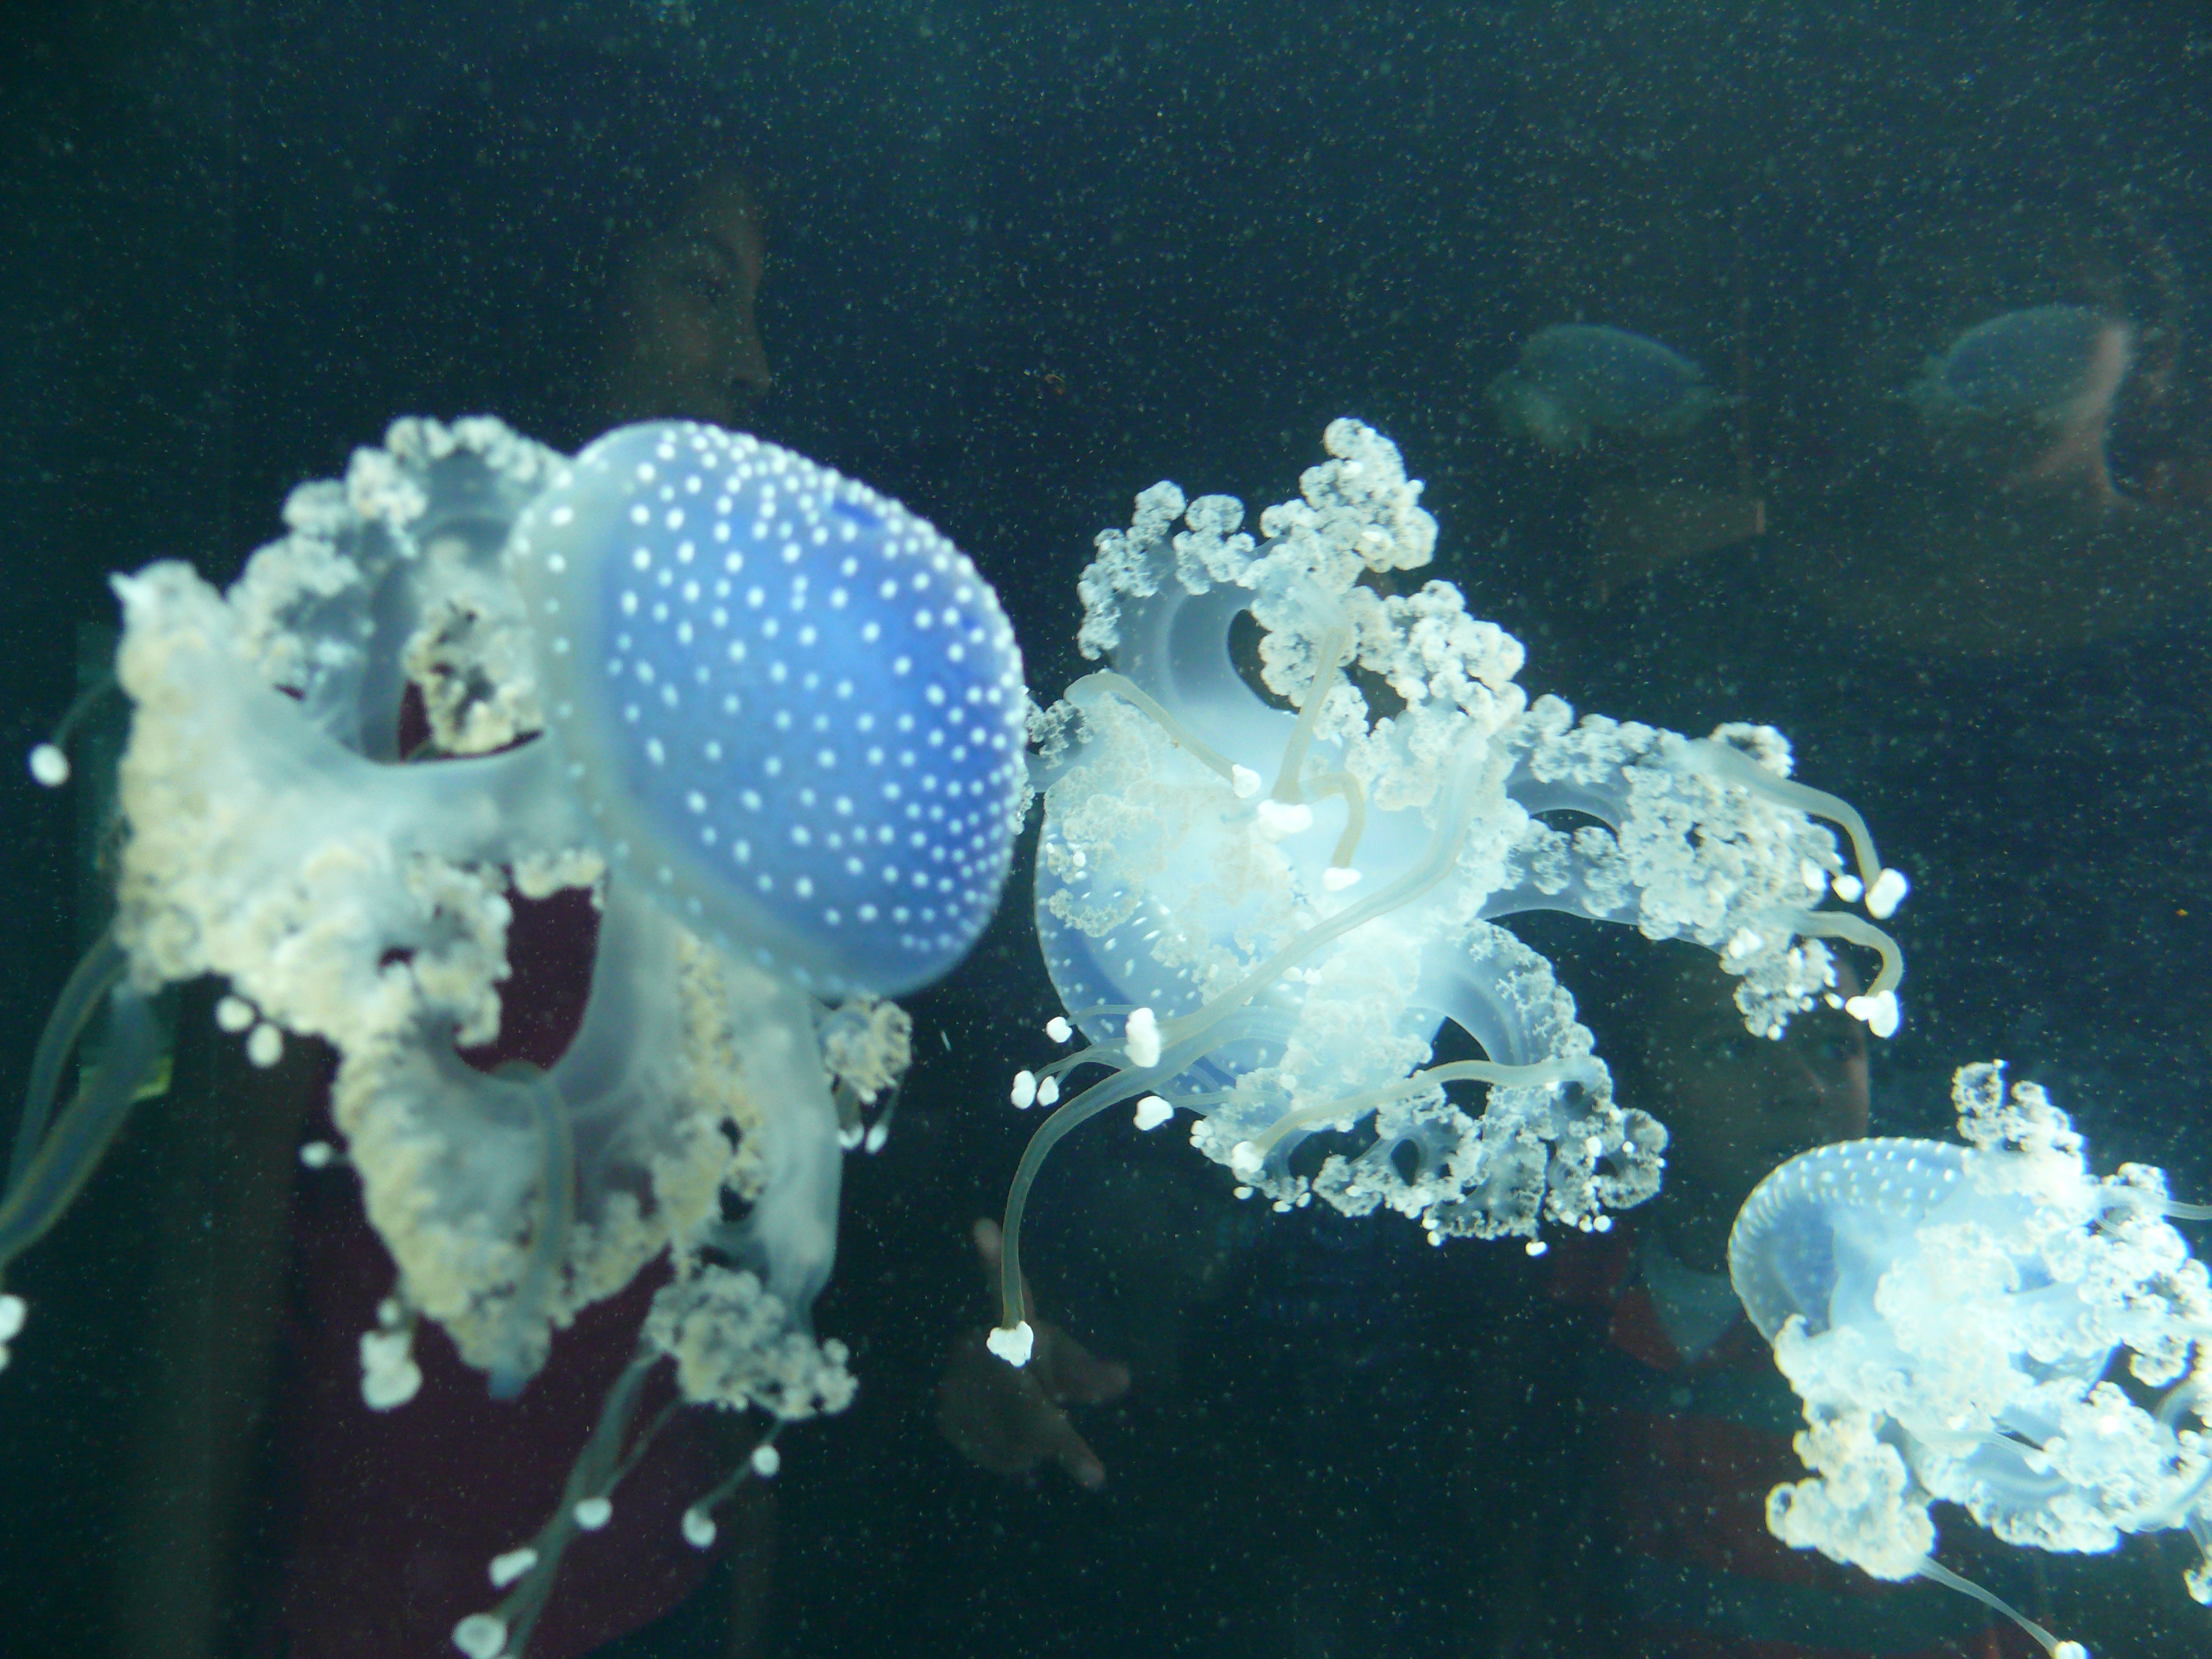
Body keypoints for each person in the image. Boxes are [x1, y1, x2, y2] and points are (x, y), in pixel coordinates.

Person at [101, 41, 783, 1659]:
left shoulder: (707, 679)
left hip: (663, 1587)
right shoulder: (336, 664)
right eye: (707, 286)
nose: (755, 362)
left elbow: (748, 1208)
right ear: (561, 272)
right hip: (378, 1603)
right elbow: (224, 1203)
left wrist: (754, 1601)